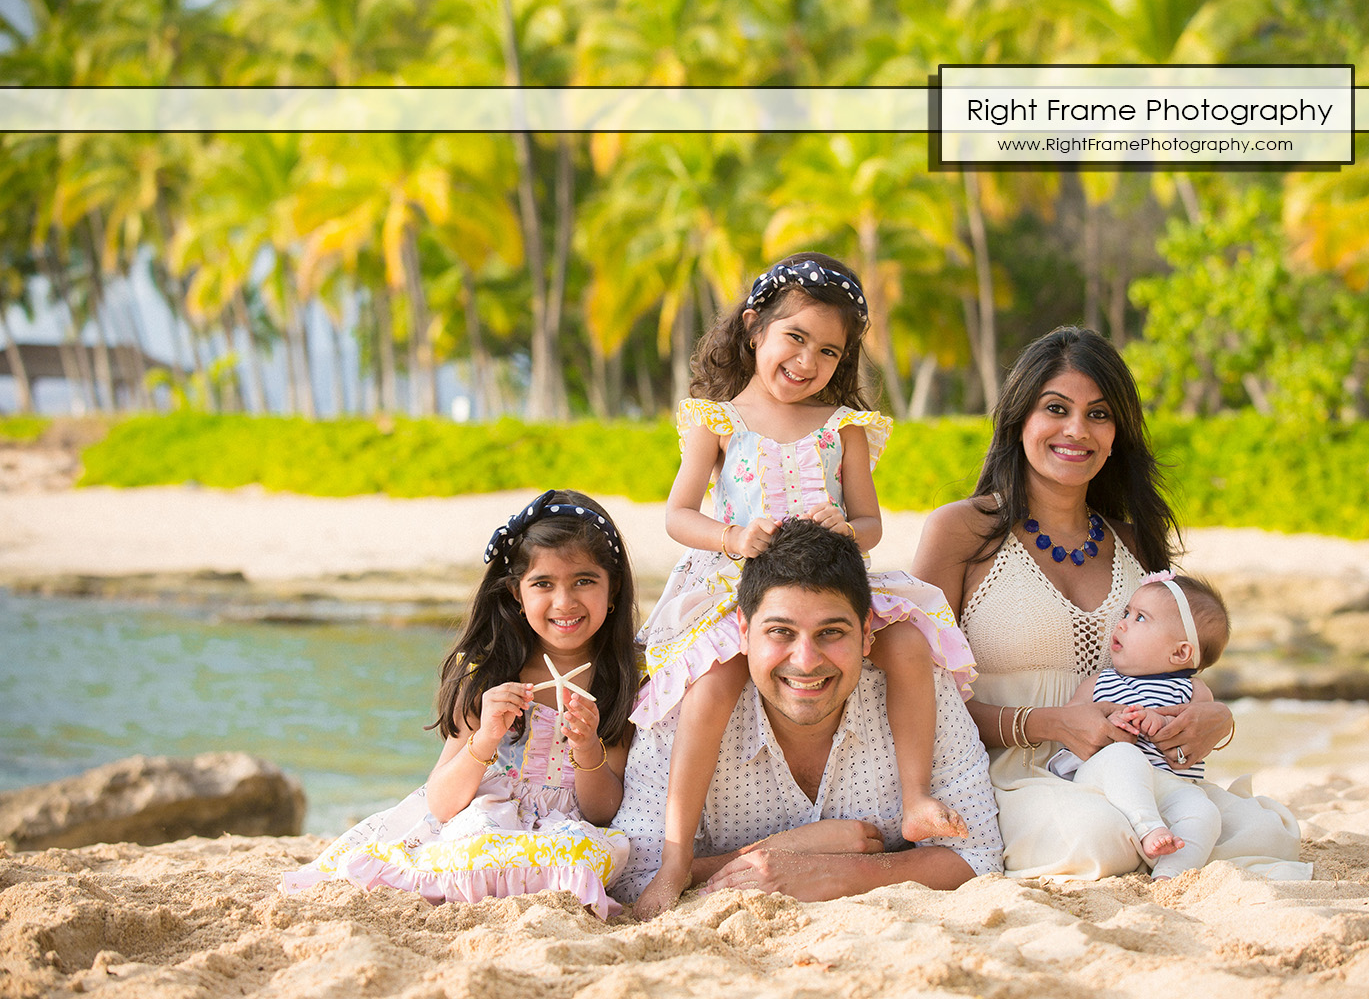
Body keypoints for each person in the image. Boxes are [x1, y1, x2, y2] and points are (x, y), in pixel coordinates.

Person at [631, 252, 977, 918]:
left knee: (905, 643)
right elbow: (678, 514)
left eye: (827, 350)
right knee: (717, 678)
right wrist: (734, 538)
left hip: (829, 580)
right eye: (795, 338)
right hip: (737, 581)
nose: (807, 361)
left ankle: (914, 796)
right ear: (755, 326)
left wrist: (846, 528)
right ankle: (675, 859)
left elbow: (872, 521)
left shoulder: (842, 426)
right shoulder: (718, 420)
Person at [911, 326, 1308, 881]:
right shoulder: (962, 531)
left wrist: (1213, 716)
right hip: (1000, 771)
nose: (1077, 430)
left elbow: (1175, 664)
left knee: (1264, 833)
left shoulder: (1135, 541)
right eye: (1056, 408)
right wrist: (1049, 722)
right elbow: (914, 696)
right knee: (1102, 836)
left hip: (1134, 772)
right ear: (1019, 418)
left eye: (1099, 414)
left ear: (1118, 432)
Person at [282, 490, 640, 917]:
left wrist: (587, 749)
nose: (564, 602)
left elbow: (603, 812)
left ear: (612, 586)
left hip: (564, 829)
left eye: (584, 580)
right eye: (543, 584)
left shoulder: (619, 682)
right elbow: (441, 803)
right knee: (473, 838)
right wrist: (487, 735)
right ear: (515, 593)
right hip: (480, 818)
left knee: (576, 854)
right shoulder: (491, 675)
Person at [611, 518, 1003, 907]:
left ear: (868, 630)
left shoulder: (916, 687)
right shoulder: (683, 708)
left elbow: (978, 855)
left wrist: (841, 872)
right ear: (743, 631)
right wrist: (788, 850)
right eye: (781, 632)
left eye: (831, 632)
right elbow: (633, 877)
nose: (807, 661)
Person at [1051, 572, 1230, 879]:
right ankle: (1149, 827)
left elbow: (1196, 732)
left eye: (1140, 619)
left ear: (1180, 652)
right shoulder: (1101, 682)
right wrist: (1109, 719)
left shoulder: (1193, 690)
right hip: (1108, 775)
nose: (1122, 624)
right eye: (1126, 614)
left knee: (1205, 813)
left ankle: (1172, 872)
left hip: (1171, 783)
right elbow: (1073, 720)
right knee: (1125, 755)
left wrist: (1162, 722)